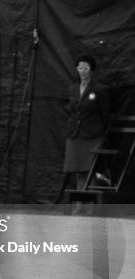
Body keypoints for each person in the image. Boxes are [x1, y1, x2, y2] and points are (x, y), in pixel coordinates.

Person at [63, 55, 110, 190]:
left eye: (86, 68)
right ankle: (80, 205)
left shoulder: (99, 89)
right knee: (78, 170)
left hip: (93, 136)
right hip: (75, 135)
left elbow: (105, 114)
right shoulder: (72, 89)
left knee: (91, 170)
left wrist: (102, 134)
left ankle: (90, 206)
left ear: (91, 70)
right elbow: (71, 110)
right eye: (80, 68)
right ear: (76, 69)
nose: (82, 71)